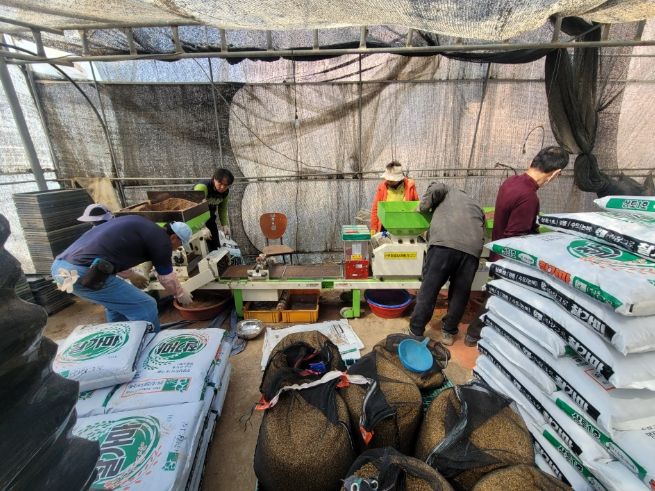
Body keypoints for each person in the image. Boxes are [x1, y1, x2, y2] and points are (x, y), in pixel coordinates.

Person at [464, 145, 569, 346]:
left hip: (497, 252)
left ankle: (479, 332)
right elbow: (515, 238)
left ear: (533, 161)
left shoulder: (511, 182)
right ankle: (475, 334)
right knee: (498, 297)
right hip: (508, 260)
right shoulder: (528, 197)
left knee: (496, 294)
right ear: (556, 173)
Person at [51, 215, 194, 332]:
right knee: (146, 305)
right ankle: (150, 347)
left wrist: (131, 274)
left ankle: (119, 342)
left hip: (61, 267)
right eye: (180, 244)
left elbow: (111, 252)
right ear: (174, 238)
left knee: (116, 307)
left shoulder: (144, 226)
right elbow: (166, 277)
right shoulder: (162, 241)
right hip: (81, 272)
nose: (177, 248)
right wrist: (180, 293)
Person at [409, 182, 485, 346]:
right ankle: (449, 332)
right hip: (472, 251)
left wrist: (422, 207)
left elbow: (435, 188)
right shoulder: (476, 205)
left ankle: (416, 330)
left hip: (444, 246)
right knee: (460, 293)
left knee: (429, 289)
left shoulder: (446, 189)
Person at [370, 161, 419, 234]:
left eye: (392, 180)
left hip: (404, 225)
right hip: (385, 226)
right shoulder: (382, 187)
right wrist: (373, 228)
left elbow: (416, 207)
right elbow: (376, 208)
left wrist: (416, 226)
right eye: (387, 178)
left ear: (399, 178)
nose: (389, 181)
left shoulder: (410, 186)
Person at [194, 168, 234, 250]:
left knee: (215, 245)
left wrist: (224, 224)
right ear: (214, 179)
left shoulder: (225, 192)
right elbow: (196, 208)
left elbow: (222, 208)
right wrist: (202, 227)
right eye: (220, 183)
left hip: (209, 218)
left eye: (226, 185)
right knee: (197, 247)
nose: (222, 187)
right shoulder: (202, 187)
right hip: (194, 219)